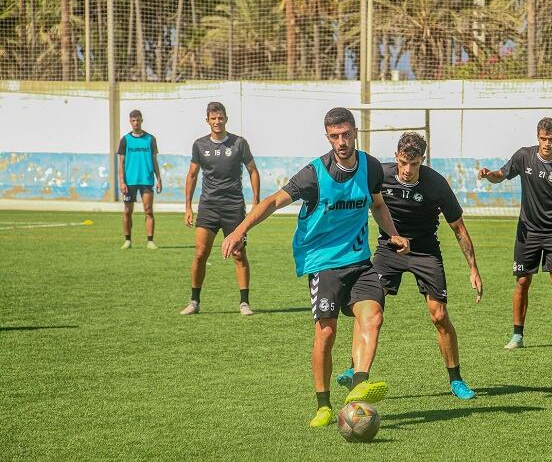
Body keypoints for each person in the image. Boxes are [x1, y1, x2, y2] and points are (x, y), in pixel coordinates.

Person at [220, 107, 410, 428]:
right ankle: (323, 404)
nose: (341, 141)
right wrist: (240, 229)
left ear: (355, 132)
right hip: (323, 263)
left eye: (346, 134)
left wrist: (393, 234)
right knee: (327, 332)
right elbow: (272, 202)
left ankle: (359, 382)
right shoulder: (313, 174)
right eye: (334, 136)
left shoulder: (371, 167)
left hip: (359, 260)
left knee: (373, 316)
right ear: (327, 137)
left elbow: (377, 204)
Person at [335, 132, 483, 400]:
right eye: (403, 162)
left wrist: (473, 269)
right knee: (369, 307)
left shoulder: (436, 184)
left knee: (439, 316)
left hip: (425, 252)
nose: (407, 170)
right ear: (396, 157)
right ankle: (355, 368)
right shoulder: (381, 175)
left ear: (422, 161)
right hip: (389, 249)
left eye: (413, 164)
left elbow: (458, 228)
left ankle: (456, 380)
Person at [478, 117, 552, 351]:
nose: (547, 143)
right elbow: (501, 174)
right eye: (543, 138)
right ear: (537, 137)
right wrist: (488, 175)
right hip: (528, 231)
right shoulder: (524, 156)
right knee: (523, 281)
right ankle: (517, 335)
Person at [180, 102, 260, 316]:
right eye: (213, 118)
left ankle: (244, 303)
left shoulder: (239, 143)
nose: (217, 122)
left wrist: (256, 202)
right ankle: (194, 301)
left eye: (220, 118)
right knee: (200, 254)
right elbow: (192, 175)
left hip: (233, 207)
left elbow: (253, 171)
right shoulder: (199, 145)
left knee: (239, 254)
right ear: (207, 120)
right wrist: (188, 206)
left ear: (226, 118)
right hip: (208, 207)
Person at [118, 109, 162, 250]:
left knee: (148, 210)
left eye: (138, 120)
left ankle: (150, 241)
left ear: (142, 121)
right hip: (130, 181)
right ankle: (128, 240)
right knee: (127, 211)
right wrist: (122, 181)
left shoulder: (150, 139)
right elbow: (122, 163)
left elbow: (154, 160)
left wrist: (159, 178)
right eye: (133, 121)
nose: (136, 123)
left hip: (146, 180)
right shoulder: (125, 140)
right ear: (130, 122)